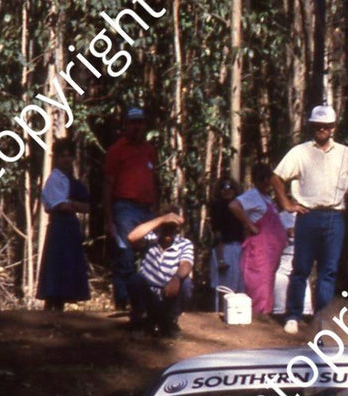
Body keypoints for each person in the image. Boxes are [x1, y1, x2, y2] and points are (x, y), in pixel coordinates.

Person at [271, 105, 348, 332]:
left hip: (334, 216)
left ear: (333, 128)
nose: (321, 130)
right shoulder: (300, 152)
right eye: (317, 126)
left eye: (325, 126)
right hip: (308, 215)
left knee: (328, 271)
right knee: (301, 268)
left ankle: (322, 317)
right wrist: (286, 204)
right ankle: (294, 315)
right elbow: (277, 177)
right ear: (311, 126)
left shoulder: (345, 153)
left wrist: (347, 189)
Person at [103, 107, 160, 312]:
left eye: (140, 122)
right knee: (125, 253)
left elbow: (153, 181)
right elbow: (108, 185)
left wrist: (156, 210)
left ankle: (146, 303)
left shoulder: (149, 150)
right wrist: (109, 219)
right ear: (125, 125)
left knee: (151, 252)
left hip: (146, 210)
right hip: (124, 209)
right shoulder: (116, 150)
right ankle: (122, 301)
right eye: (132, 122)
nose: (137, 127)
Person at [36, 137, 92, 311]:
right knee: (56, 266)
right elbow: (61, 205)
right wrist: (74, 205)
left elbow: (88, 206)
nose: (66, 159)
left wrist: (73, 204)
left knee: (68, 265)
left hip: (71, 227)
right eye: (62, 156)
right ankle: (50, 307)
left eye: (69, 156)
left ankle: (60, 309)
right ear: (56, 158)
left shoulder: (73, 181)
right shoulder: (54, 179)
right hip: (59, 227)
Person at [126, 206, 194, 338]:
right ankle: (142, 320)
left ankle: (170, 321)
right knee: (134, 279)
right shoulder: (149, 239)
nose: (168, 232)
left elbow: (187, 264)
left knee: (186, 283)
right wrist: (162, 219)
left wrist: (176, 278)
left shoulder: (184, 243)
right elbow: (131, 237)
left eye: (172, 228)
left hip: (168, 296)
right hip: (148, 295)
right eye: (165, 227)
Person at [230, 164, 285, 319]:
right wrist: (249, 224)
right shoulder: (252, 195)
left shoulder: (266, 198)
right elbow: (234, 205)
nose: (268, 184)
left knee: (267, 285)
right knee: (259, 286)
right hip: (259, 252)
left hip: (270, 253)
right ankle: (257, 320)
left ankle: (265, 316)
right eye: (266, 180)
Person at [208, 177, 244, 311]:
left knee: (239, 286)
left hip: (239, 248)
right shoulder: (217, 207)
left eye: (230, 188)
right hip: (225, 249)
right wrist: (221, 258)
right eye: (223, 188)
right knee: (224, 287)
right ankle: (222, 315)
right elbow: (217, 234)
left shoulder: (240, 206)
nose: (226, 191)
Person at [272, 210, 313, 325]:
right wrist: (284, 233)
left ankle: (304, 315)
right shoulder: (280, 216)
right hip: (283, 257)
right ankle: (279, 314)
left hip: (302, 256)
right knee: (279, 282)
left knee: (303, 284)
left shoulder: (310, 216)